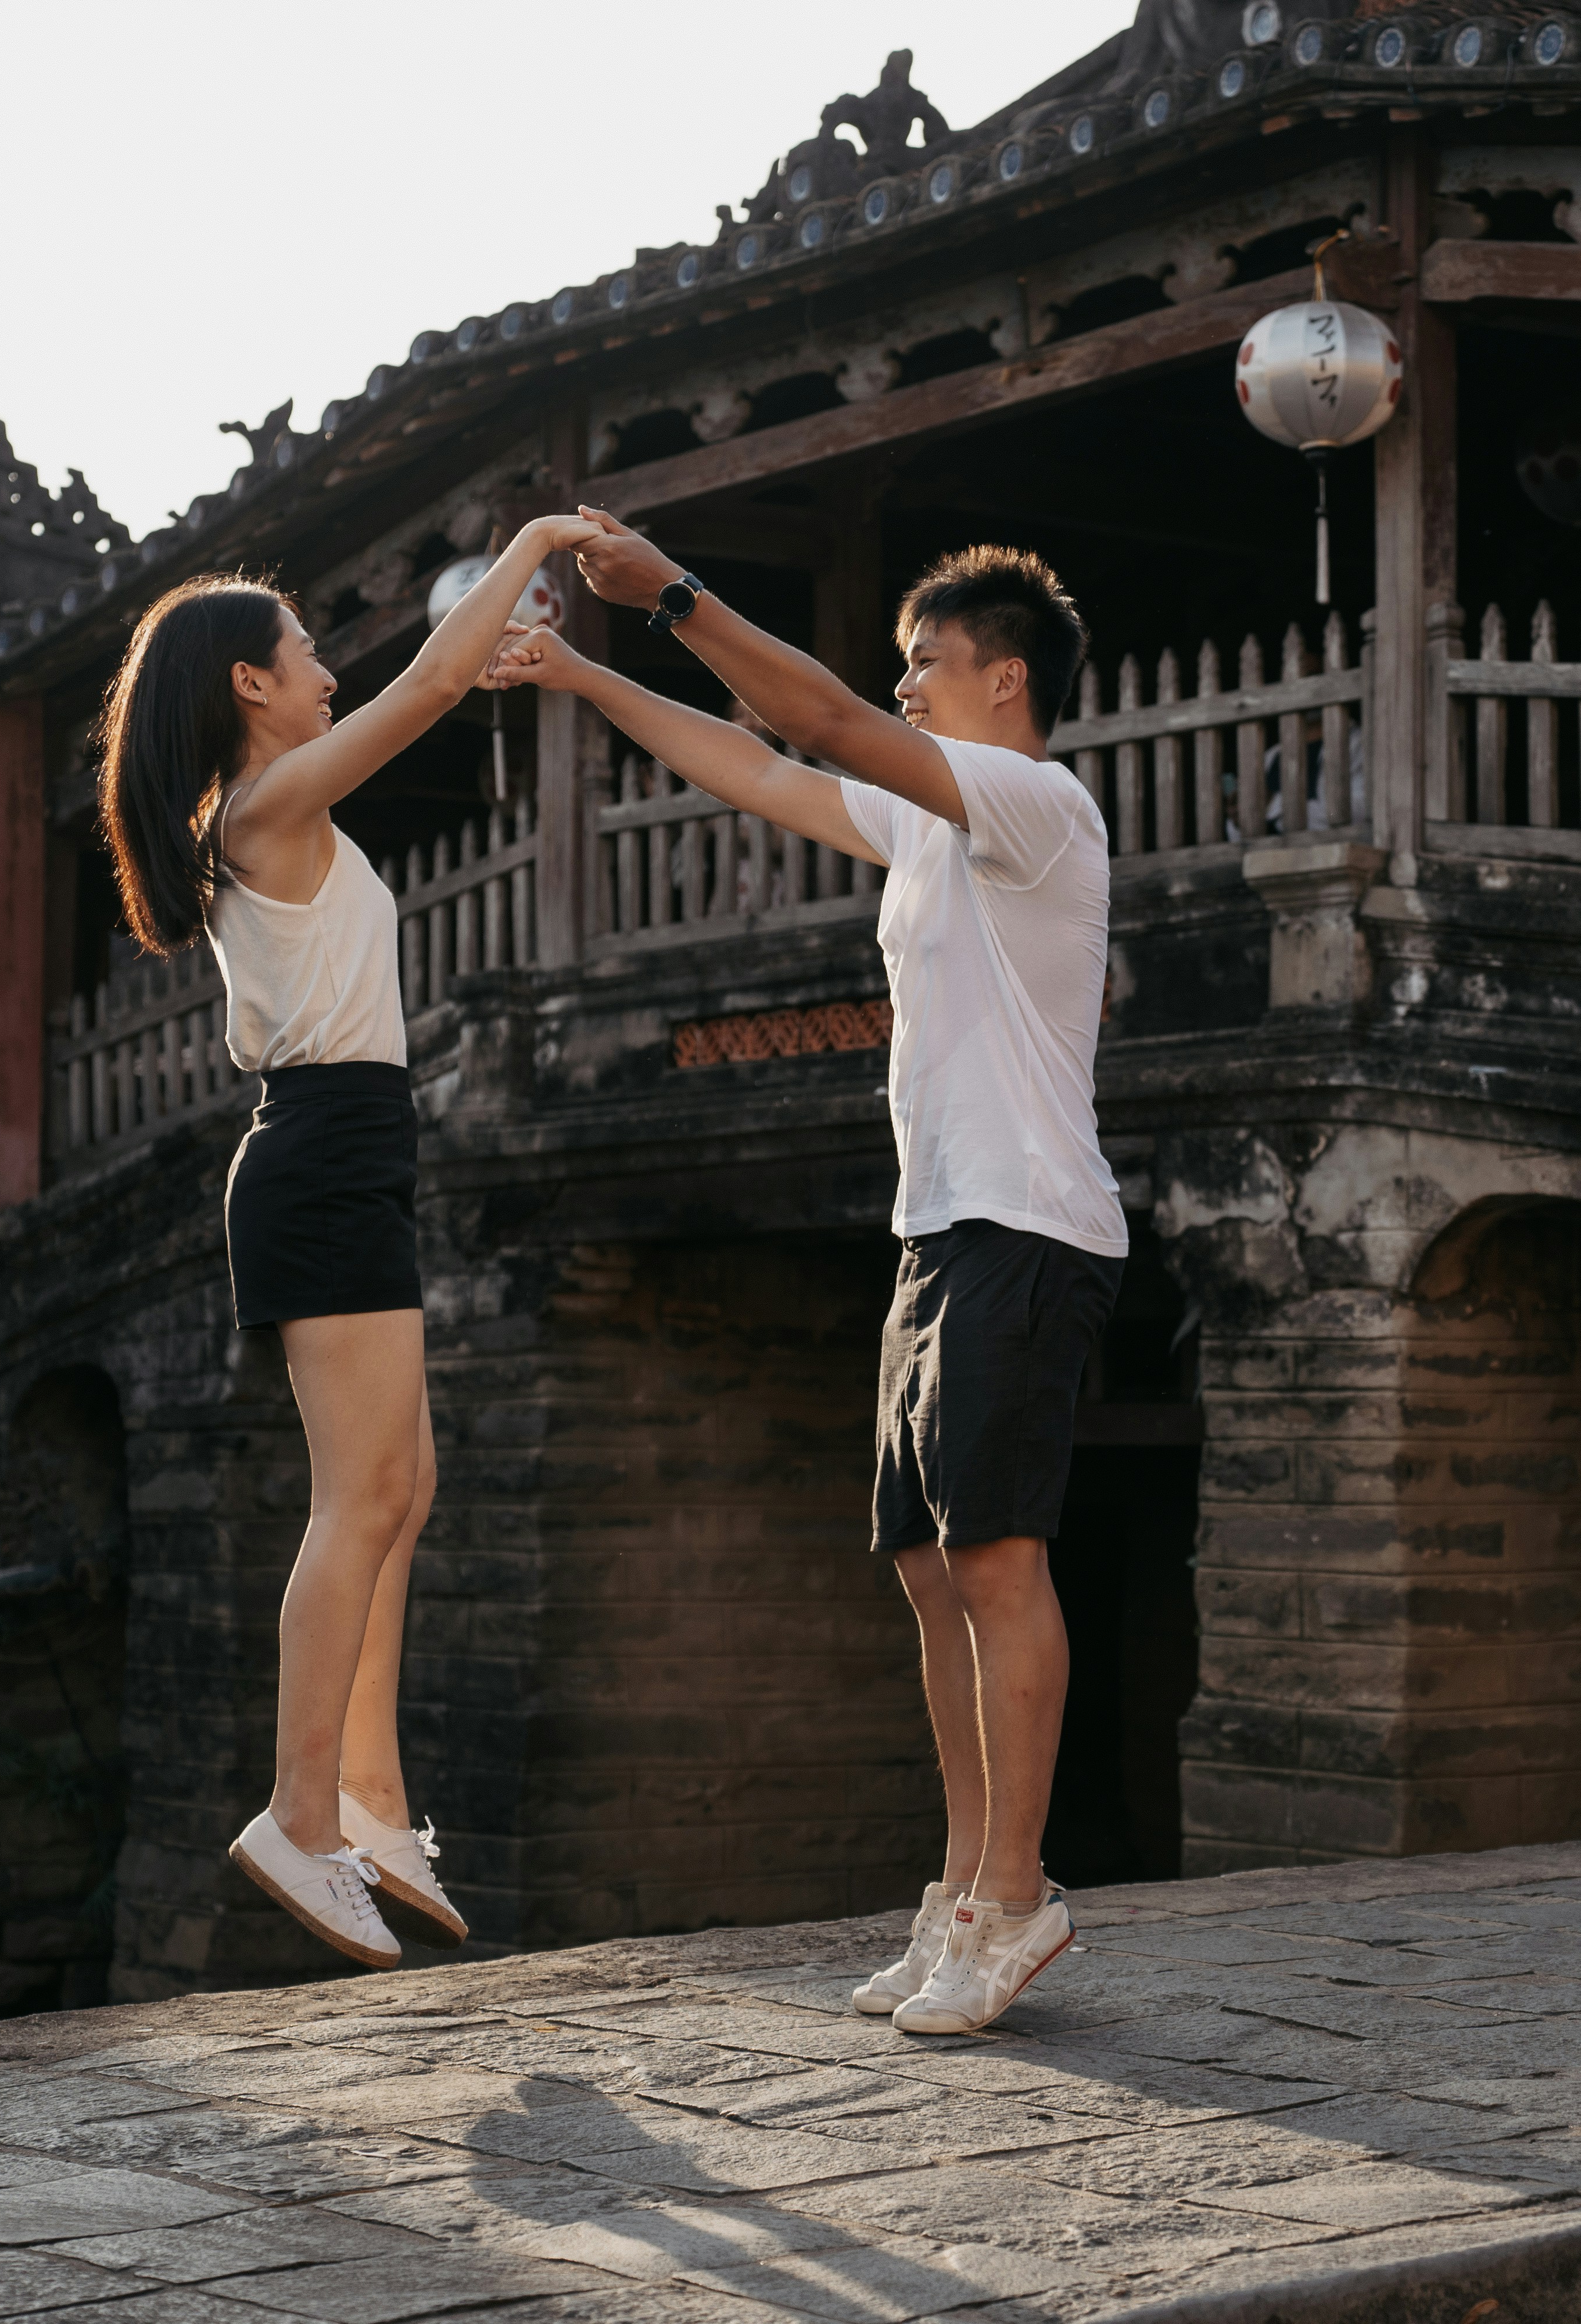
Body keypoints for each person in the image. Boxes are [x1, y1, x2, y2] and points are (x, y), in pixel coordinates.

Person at [493, 518, 1122, 2036]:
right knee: (925, 1569)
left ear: (1005, 679)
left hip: (1029, 1224)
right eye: (900, 669)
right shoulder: (927, 827)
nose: (901, 691)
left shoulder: (1036, 806)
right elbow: (766, 770)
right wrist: (588, 672)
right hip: (937, 1230)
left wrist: (679, 598)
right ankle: (965, 1888)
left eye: (925, 667)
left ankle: (1022, 1893)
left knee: (998, 1559)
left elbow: (822, 721)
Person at [92, 514, 597, 1967]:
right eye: (304, 651)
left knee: (402, 1481)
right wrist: (539, 536)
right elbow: (428, 689)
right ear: (252, 686)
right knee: (358, 1494)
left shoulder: (276, 806)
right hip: (320, 1153)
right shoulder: (263, 807)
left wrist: (489, 637)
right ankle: (301, 1813)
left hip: (354, 1150)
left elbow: (430, 684)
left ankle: (370, 1795)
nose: (323, 667)